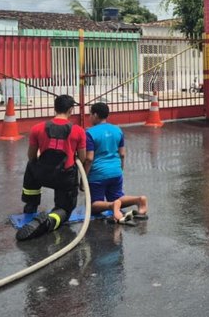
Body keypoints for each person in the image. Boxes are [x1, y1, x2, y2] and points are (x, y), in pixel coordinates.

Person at [16, 94, 87, 241]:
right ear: (70, 110)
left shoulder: (37, 128)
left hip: (42, 174)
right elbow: (83, 158)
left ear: (54, 108)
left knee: (31, 165)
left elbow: (31, 156)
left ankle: (31, 205)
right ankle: (49, 221)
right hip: (64, 177)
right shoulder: (78, 131)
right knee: (65, 209)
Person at [85, 102, 148, 224]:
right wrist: (120, 169)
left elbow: (89, 158)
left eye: (90, 114)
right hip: (116, 171)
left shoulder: (89, 133)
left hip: (98, 174)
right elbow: (122, 154)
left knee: (92, 206)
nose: (89, 117)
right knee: (118, 198)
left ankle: (111, 206)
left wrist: (84, 178)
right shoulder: (117, 130)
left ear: (96, 115)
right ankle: (139, 200)